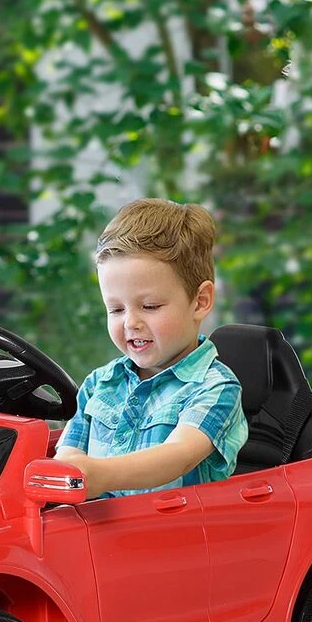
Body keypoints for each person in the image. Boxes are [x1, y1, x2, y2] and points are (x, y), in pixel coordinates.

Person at [55, 198, 247, 499]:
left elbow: (179, 455)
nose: (131, 322)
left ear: (200, 302)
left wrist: (98, 475)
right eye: (115, 309)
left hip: (176, 538)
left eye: (150, 306)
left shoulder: (215, 388)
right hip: (93, 534)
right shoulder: (99, 384)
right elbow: (67, 458)